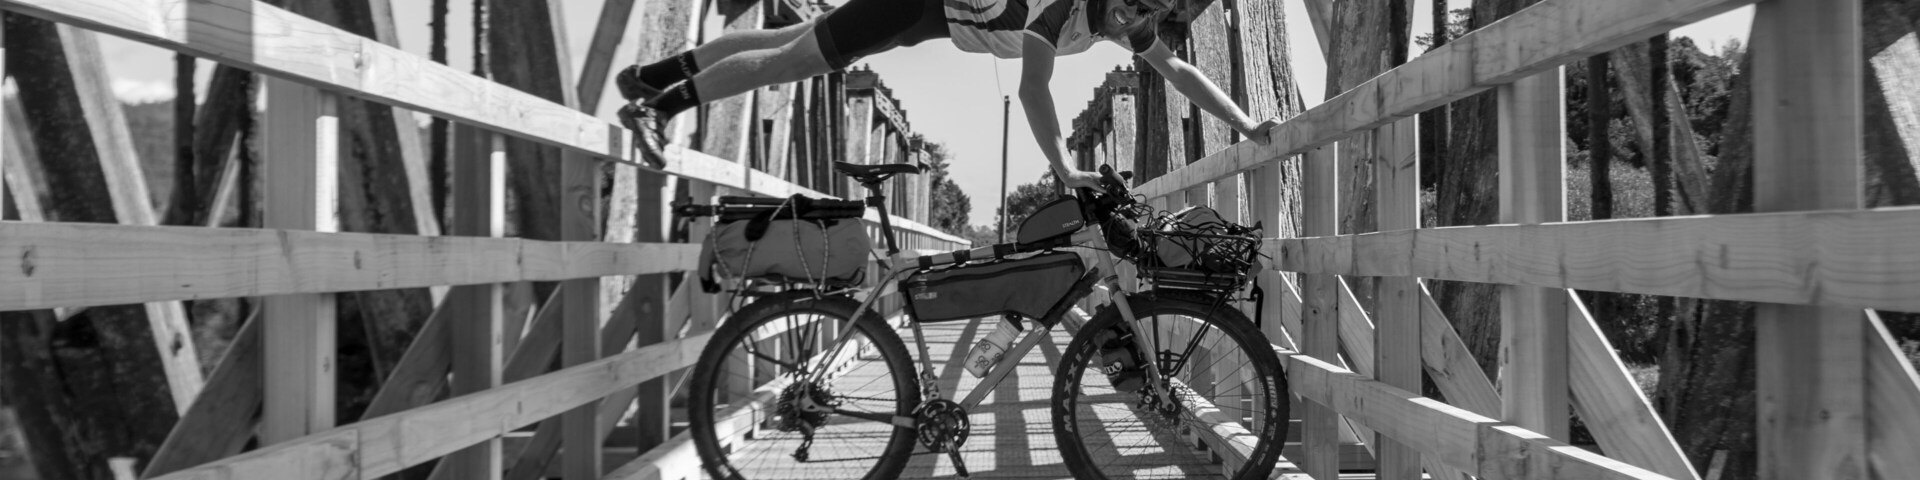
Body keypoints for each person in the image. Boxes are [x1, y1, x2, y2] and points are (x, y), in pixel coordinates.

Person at [617, 0, 1277, 190]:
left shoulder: (1124, 26)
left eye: (1151, 18)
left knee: (793, 34)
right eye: (1136, 9)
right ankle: (658, 106)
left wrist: (1246, 124)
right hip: (909, 6)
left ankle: (651, 77)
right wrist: (1061, 166)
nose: (1137, 26)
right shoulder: (1060, 11)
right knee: (792, 61)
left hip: (927, 22)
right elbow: (1034, 90)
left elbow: (1182, 73)